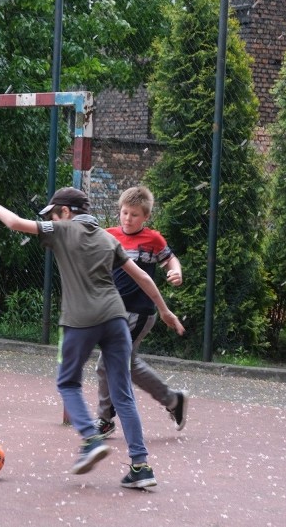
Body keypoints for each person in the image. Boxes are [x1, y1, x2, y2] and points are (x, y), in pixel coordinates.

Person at [0, 182, 184, 489]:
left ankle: (91, 439)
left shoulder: (63, 230)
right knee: (122, 394)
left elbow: (15, 223)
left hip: (80, 320)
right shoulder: (106, 238)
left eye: (55, 215)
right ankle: (141, 467)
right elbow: (143, 276)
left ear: (66, 212)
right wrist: (164, 310)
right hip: (116, 319)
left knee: (67, 382)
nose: (53, 220)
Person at [95, 186, 188, 439]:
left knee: (107, 364)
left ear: (145, 216)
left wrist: (176, 271)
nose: (127, 218)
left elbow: (171, 259)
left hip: (139, 313)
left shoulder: (152, 240)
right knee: (128, 363)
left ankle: (105, 419)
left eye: (134, 214)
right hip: (112, 311)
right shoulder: (109, 235)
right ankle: (173, 400)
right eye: (124, 213)